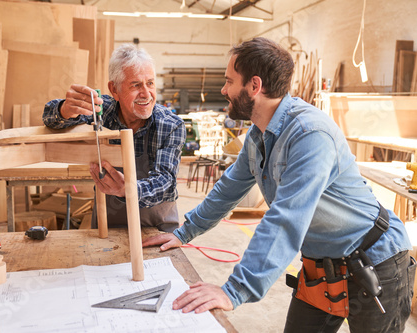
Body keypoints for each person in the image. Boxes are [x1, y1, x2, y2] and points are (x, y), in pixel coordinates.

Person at [143, 37, 415, 332]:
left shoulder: (309, 135)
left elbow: (286, 219)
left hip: (375, 261)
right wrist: (184, 233)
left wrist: (233, 290)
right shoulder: (258, 135)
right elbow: (228, 189)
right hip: (322, 267)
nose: (223, 90)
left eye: (229, 81)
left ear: (254, 86)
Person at [43, 44, 186, 232]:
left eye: (150, 83)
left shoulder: (170, 125)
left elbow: (165, 183)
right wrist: (65, 110)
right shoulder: (101, 112)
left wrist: (126, 189)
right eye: (135, 85)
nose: (146, 94)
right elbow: (49, 117)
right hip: (107, 226)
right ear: (114, 89)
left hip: (158, 228)